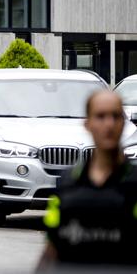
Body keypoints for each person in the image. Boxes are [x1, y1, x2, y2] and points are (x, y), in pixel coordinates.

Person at [37, 90, 137, 271]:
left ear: (124, 123)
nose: (109, 124)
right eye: (100, 116)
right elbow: (51, 250)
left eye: (116, 116)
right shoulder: (67, 184)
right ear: (87, 124)